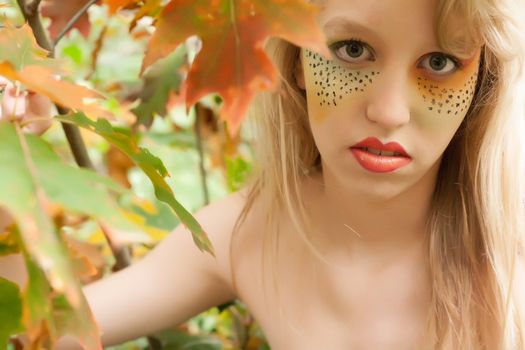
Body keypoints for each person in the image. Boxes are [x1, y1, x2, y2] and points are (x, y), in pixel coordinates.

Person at [3, 0, 525, 348]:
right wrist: (15, 163)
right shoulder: (252, 233)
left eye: (438, 62)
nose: (389, 112)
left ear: (483, 82)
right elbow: (47, 331)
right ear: (296, 59)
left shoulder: (511, 257)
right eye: (351, 50)